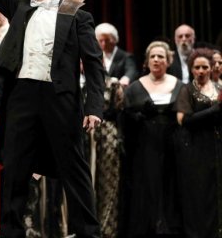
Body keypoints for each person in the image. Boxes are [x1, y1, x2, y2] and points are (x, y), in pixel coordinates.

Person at [0, 0, 104, 237]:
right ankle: (10, 232)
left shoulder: (76, 15)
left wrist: (94, 107)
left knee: (73, 169)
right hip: (22, 95)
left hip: (59, 97)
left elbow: (94, 65)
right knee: (14, 168)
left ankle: (88, 233)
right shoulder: (21, 7)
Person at [123, 41, 183, 237]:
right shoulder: (134, 88)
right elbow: (125, 117)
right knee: (148, 183)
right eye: (153, 56)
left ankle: (170, 227)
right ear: (147, 61)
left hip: (173, 145)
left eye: (161, 56)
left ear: (168, 61)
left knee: (171, 183)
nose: (156, 60)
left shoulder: (180, 86)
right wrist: (139, 115)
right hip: (145, 144)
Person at [174, 48, 222, 237]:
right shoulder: (187, 90)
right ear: (191, 69)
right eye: (197, 67)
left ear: (211, 68)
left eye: (205, 67)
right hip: (195, 146)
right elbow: (183, 120)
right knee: (199, 190)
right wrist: (213, 110)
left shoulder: (219, 88)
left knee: (216, 189)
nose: (201, 71)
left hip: (217, 145)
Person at [95, 22, 138, 88]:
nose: (104, 44)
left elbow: (131, 71)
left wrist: (126, 79)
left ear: (115, 39)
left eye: (107, 40)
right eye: (100, 40)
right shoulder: (96, 56)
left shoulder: (126, 57)